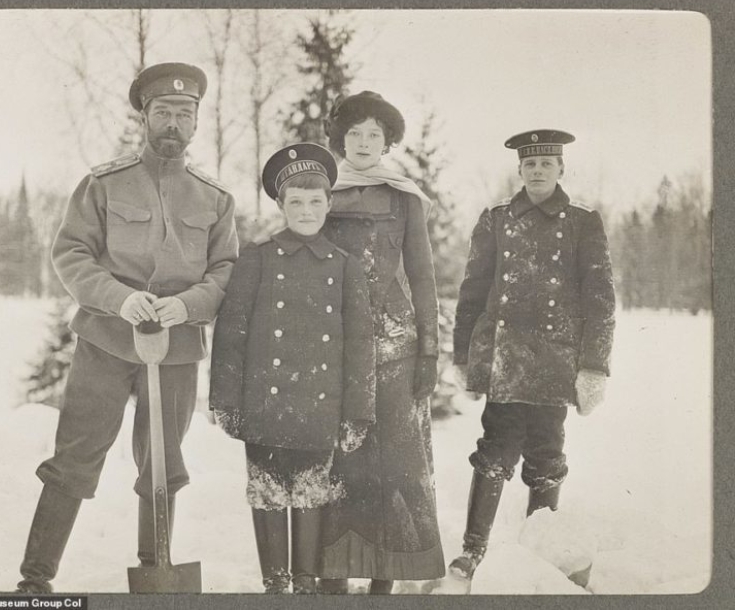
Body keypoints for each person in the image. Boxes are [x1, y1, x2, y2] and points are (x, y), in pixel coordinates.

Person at [15, 62, 239, 593]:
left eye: (185, 115)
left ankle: (155, 573)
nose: (173, 124)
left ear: (197, 123)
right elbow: (71, 252)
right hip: (106, 342)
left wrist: (185, 305)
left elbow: (226, 269)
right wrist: (121, 299)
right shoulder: (104, 183)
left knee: (163, 464)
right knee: (75, 457)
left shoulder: (214, 198)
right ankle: (34, 580)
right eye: (163, 112)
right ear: (145, 116)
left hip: (178, 348)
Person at [450, 129, 615, 587]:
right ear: (519, 170)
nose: (538, 171)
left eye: (546, 163)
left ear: (561, 168)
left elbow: (600, 299)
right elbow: (473, 290)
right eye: (530, 164)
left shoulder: (583, 221)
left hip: (554, 364)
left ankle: (538, 556)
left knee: (546, 455)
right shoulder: (497, 219)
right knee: (493, 453)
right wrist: (464, 354)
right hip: (505, 363)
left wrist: (594, 366)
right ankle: (472, 551)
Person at [209, 143, 376, 594]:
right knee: (266, 493)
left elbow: (361, 347)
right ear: (281, 205)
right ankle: (275, 584)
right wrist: (225, 402)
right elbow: (230, 338)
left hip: (321, 410)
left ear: (329, 205)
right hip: (264, 407)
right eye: (296, 202)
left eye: (315, 201)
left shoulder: (345, 268)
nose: (306, 211)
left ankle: (304, 584)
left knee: (309, 494)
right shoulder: (257, 260)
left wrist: (358, 413)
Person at [316, 91, 446, 594]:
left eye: (375, 134)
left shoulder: (405, 197)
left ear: (388, 141)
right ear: (340, 139)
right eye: (355, 134)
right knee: (337, 459)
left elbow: (422, 275)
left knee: (394, 462)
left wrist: (430, 350)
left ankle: (383, 581)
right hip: (334, 346)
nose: (365, 143)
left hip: (395, 348)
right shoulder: (320, 191)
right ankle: (331, 574)